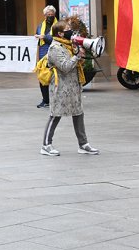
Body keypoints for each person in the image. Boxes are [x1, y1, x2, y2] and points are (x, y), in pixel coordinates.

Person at [41, 20, 99, 156]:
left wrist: (80, 55)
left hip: (73, 86)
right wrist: (77, 56)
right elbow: (65, 66)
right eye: (67, 29)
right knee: (55, 114)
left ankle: (83, 144)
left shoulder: (68, 45)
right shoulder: (55, 48)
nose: (70, 31)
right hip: (60, 87)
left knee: (78, 113)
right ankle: (46, 145)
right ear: (60, 33)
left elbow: (76, 63)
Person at [34, 5, 57, 108]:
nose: (50, 16)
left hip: (55, 55)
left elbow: (58, 39)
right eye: (48, 14)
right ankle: (46, 100)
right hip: (43, 56)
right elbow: (38, 41)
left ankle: (55, 100)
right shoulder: (40, 26)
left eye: (52, 14)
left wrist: (44, 37)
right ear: (44, 15)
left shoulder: (59, 26)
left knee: (54, 78)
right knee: (43, 78)